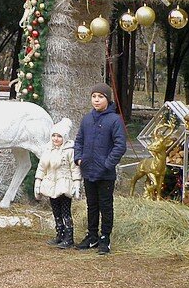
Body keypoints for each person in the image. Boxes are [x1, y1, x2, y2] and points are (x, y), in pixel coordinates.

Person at [74, 82, 127, 255]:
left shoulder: (114, 120)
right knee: (92, 205)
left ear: (107, 99)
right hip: (88, 170)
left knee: (106, 205)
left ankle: (105, 238)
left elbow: (120, 146)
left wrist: (107, 164)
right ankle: (92, 236)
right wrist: (79, 159)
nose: (96, 100)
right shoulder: (87, 119)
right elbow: (79, 141)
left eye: (100, 97)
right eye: (94, 96)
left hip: (105, 174)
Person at [34, 118, 82, 249]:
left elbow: (75, 168)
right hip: (51, 184)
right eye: (54, 136)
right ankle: (59, 234)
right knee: (56, 211)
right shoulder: (48, 149)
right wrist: (38, 181)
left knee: (65, 212)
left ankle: (69, 237)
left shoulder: (69, 150)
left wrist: (76, 184)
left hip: (64, 184)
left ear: (64, 137)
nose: (56, 139)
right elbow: (42, 167)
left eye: (59, 136)